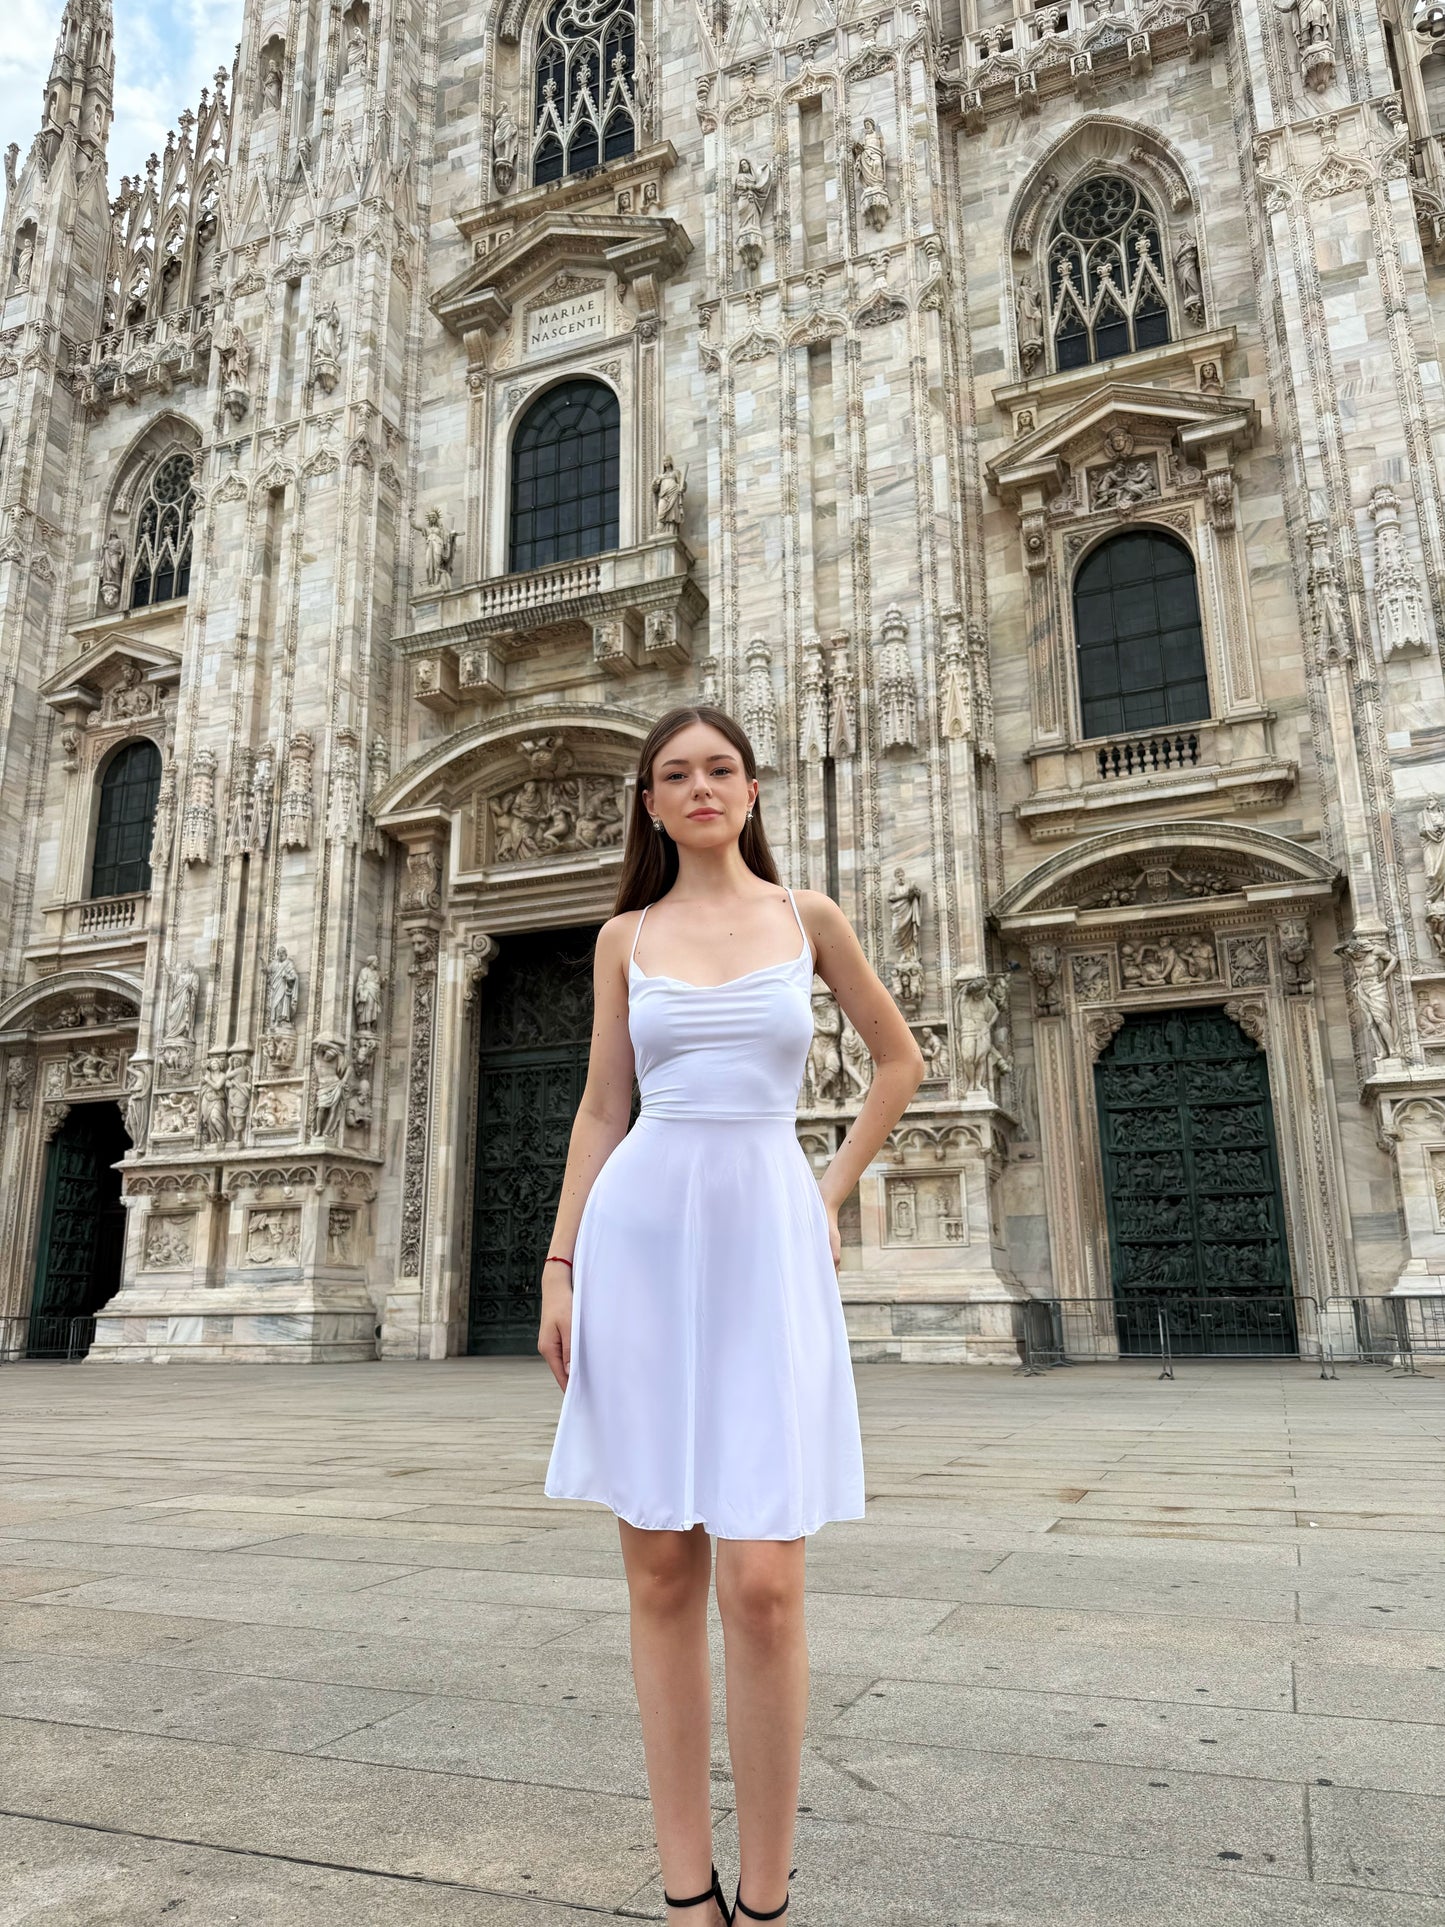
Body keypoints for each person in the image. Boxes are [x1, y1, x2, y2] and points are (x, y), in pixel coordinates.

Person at [538, 705, 926, 1926]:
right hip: (640, 1237)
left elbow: (899, 1061)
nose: (699, 787)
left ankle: (764, 1897)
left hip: (764, 1232)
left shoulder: (808, 917)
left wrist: (826, 1189)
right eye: (674, 774)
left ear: (751, 790)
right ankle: (685, 1893)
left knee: (761, 1582)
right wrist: (558, 1264)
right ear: (649, 804)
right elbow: (602, 1109)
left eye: (719, 768)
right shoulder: (622, 937)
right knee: (660, 1568)